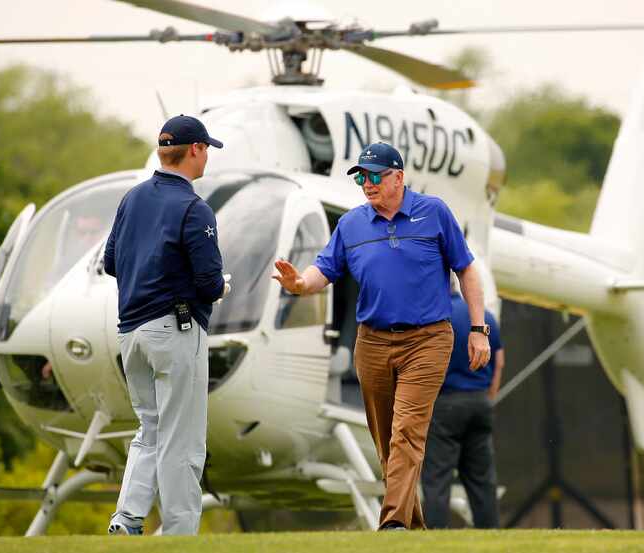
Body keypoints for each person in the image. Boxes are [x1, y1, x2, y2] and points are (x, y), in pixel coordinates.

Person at [273, 142, 491, 531]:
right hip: (371, 342)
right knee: (387, 439)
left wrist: (478, 330)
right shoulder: (352, 225)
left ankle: (392, 524)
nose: (367, 184)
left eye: (375, 176)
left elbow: (467, 270)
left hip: (428, 340)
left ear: (398, 177)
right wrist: (298, 283)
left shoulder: (434, 212)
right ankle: (413, 527)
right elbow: (322, 271)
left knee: (408, 428)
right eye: (361, 177)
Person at [103, 114, 227, 536]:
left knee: (150, 430)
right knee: (184, 441)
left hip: (129, 333)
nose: (207, 155)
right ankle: (179, 534)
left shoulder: (132, 199)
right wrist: (219, 287)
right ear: (195, 150)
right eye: (206, 148)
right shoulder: (195, 208)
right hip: (175, 331)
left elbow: (110, 263)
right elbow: (209, 285)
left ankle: (127, 518)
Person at [421, 287, 504, 529]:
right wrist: (488, 397)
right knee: (482, 479)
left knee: (437, 477)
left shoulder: (434, 316)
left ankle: (435, 534)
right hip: (480, 401)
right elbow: (499, 362)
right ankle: (490, 534)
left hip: (445, 402)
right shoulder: (486, 318)